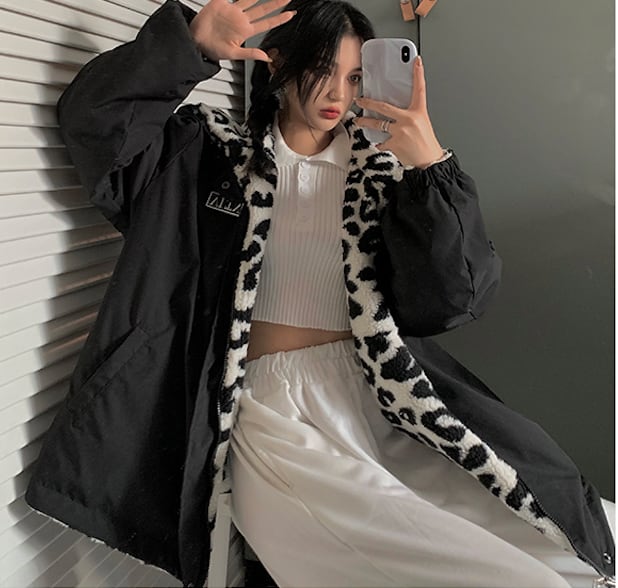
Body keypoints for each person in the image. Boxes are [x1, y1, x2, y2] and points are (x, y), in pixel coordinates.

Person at [24, 0, 615, 587]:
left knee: (557, 548)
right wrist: (191, 47)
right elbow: (96, 126)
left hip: (373, 400)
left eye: (355, 77)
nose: (338, 93)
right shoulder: (210, 155)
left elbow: (457, 298)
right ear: (278, 62)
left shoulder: (383, 177)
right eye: (322, 70)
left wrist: (429, 165)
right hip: (267, 409)